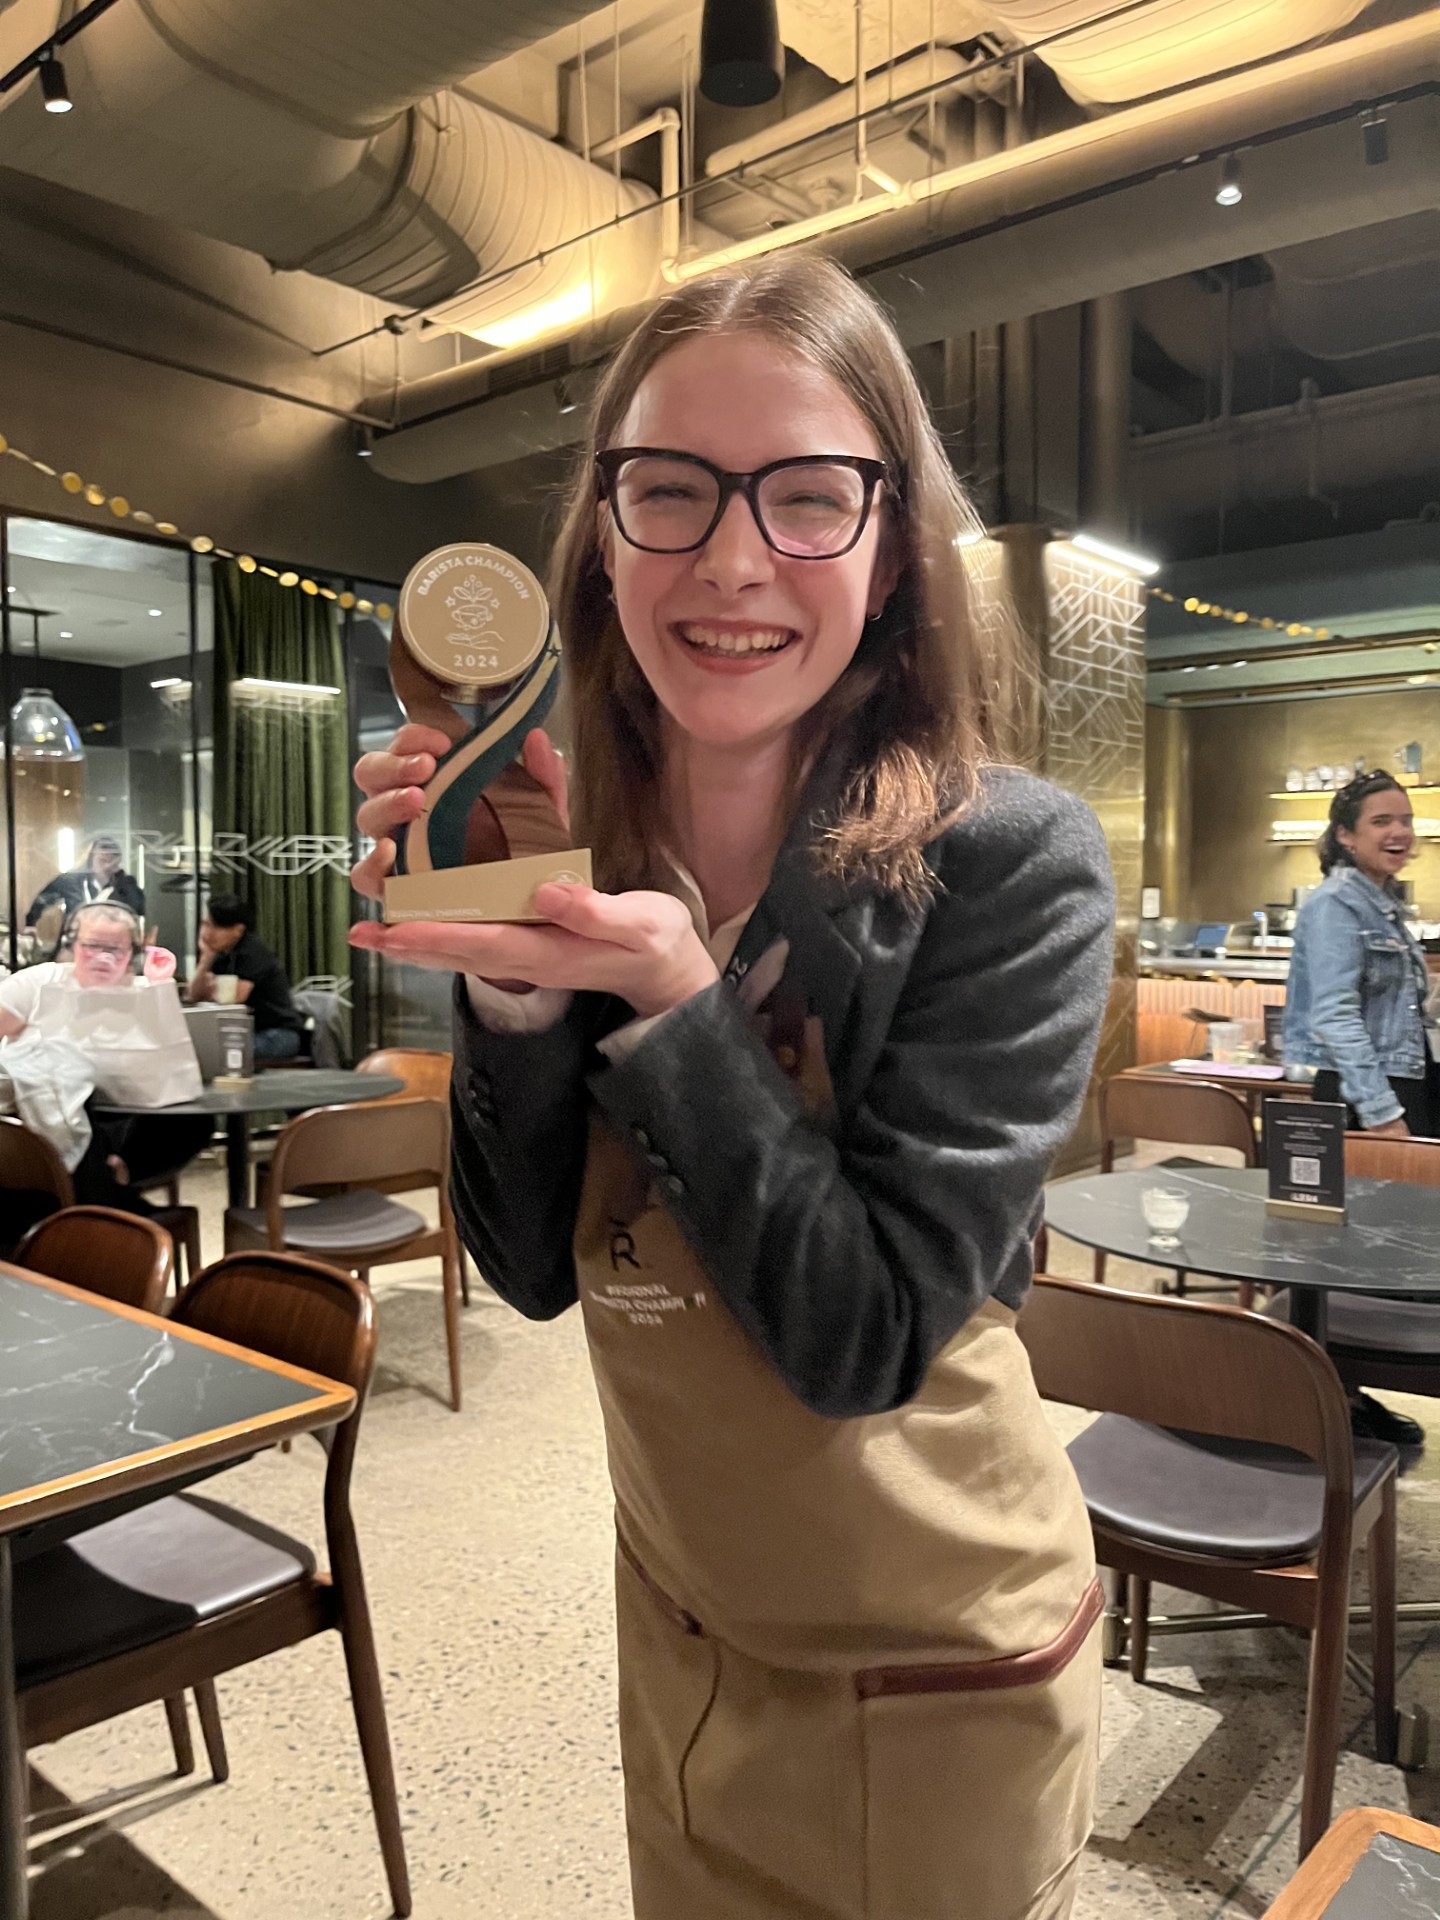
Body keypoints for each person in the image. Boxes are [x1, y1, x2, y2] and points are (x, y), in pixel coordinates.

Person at [352, 256, 1115, 1920]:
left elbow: (866, 1335)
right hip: (685, 1626)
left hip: (938, 1668)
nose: (732, 560)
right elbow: (536, 1274)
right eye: (672, 491)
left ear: (894, 540)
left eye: (809, 496)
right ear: (603, 532)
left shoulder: (1010, 866)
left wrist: (677, 994)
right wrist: (509, 980)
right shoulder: (561, 836)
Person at [1283, 768, 1433, 1448]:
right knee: (1344, 1257)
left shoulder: (1384, 902)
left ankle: (1346, 1396)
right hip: (1361, 1094)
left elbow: (1400, 1012)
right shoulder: (1335, 904)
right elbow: (1337, 1017)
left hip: (1399, 1082)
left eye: (1404, 819)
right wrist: (1382, 1113)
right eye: (1380, 821)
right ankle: (1331, 1403)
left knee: (1385, 1245)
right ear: (1345, 835)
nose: (1399, 831)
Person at [0, 900, 211, 1215]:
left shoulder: (142, 992)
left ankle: (117, 1177)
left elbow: (172, 1066)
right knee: (64, 1087)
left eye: (116, 949)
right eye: (92, 946)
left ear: (132, 953)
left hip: (128, 1121)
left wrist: (160, 986)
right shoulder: (40, 981)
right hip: (60, 1114)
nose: (103, 957)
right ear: (73, 944)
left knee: (195, 1119)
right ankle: (109, 1203)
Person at [186, 893, 305, 1062]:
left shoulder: (252, 952)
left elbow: (234, 999)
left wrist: (213, 988)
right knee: (200, 1049)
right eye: (205, 924)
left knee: (218, 1052)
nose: (207, 933)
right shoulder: (220, 954)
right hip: (244, 1032)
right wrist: (205, 959)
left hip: (277, 1034)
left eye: (216, 927)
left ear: (238, 930)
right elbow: (193, 995)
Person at [25, 833, 145, 931]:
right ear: (91, 859)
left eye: (111, 860)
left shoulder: (124, 885)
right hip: (74, 943)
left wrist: (122, 879)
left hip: (111, 941)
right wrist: (30, 926)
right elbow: (42, 900)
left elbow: (139, 909)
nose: (106, 865)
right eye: (102, 860)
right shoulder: (71, 881)